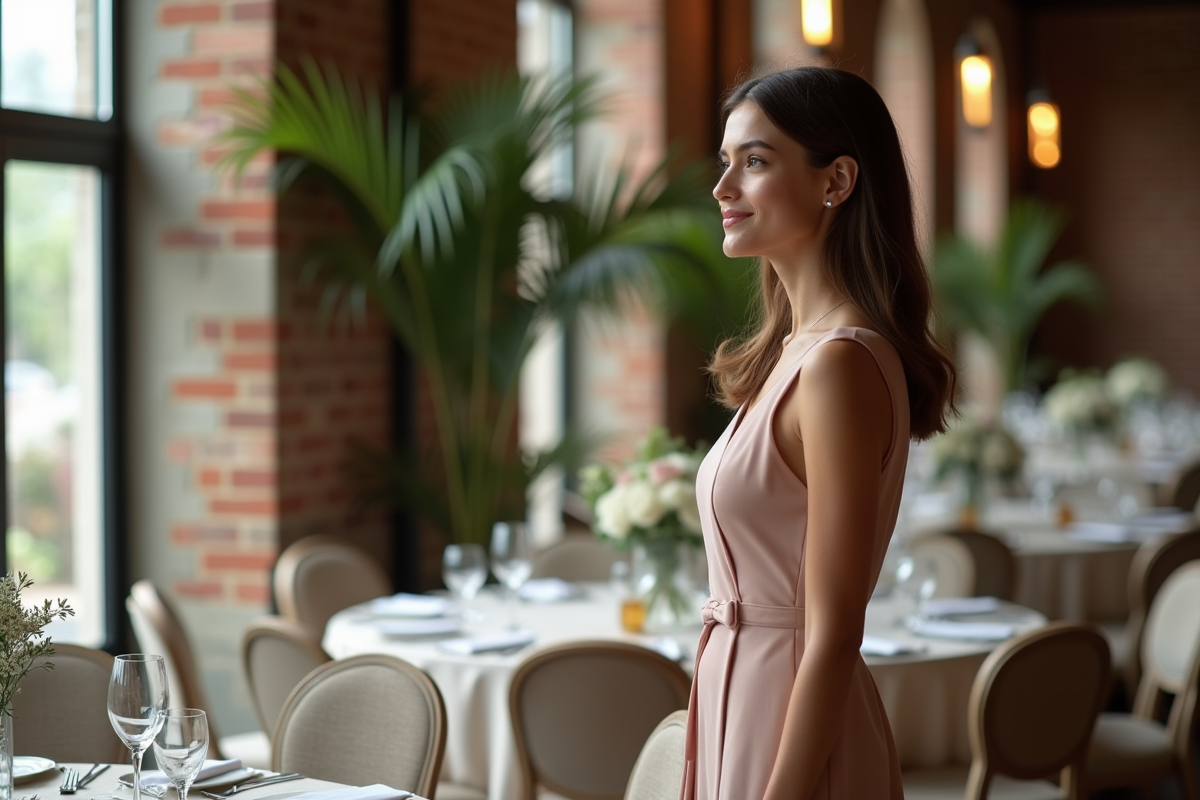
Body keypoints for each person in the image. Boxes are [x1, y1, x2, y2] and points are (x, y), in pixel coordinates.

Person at [681, 66, 957, 800]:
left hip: (792, 728)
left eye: (756, 160)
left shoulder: (838, 364)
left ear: (836, 180)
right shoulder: (794, 356)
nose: (723, 187)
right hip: (742, 699)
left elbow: (835, 631)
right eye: (725, 161)